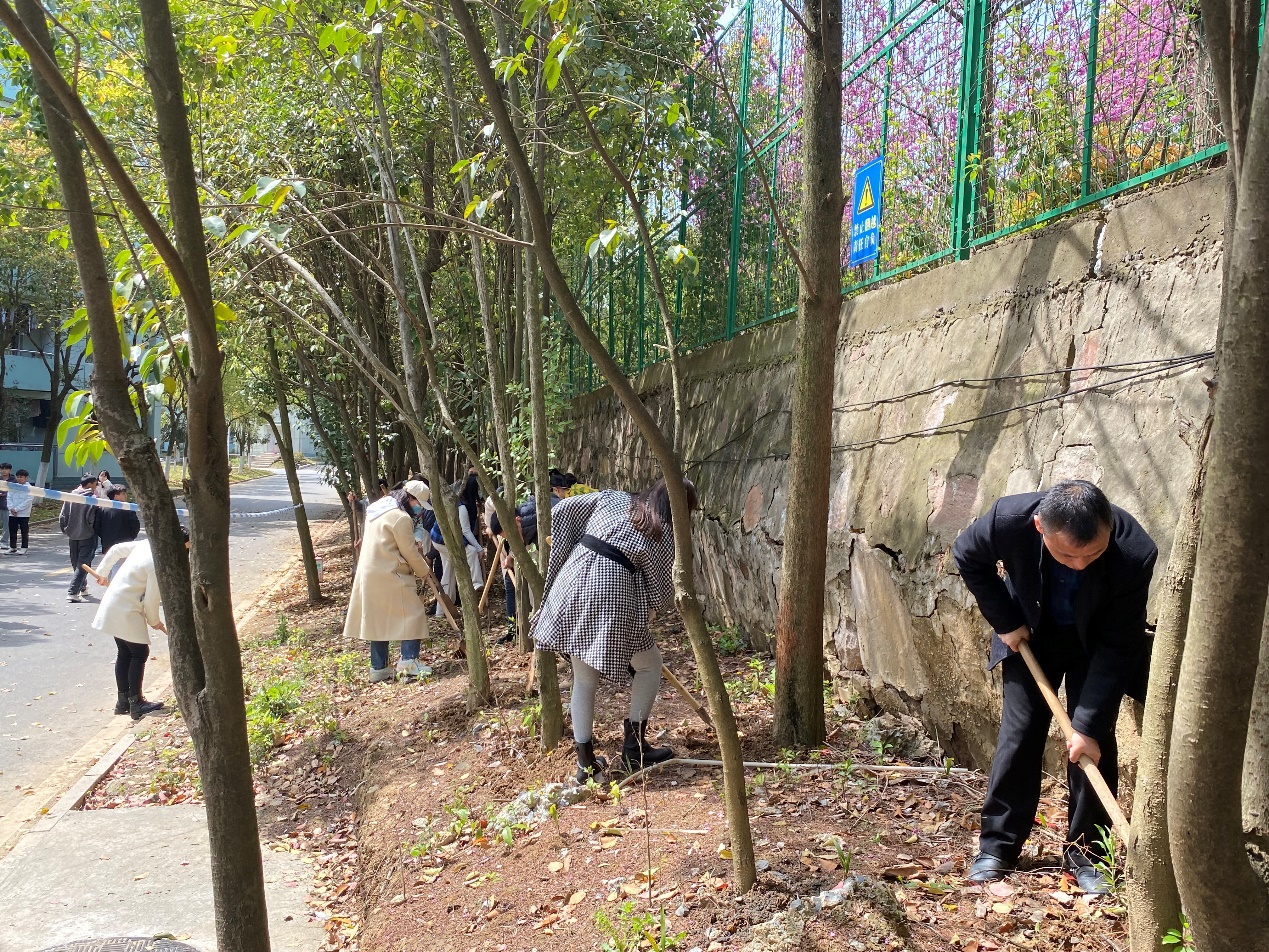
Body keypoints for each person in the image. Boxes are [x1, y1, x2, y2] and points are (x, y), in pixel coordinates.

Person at [952, 480, 1157, 894]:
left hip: (1096, 646)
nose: (1080, 564)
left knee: (1092, 742)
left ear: (1110, 530)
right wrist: (1005, 619)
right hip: (1030, 634)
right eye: (1066, 554)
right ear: (1039, 526)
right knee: (1020, 733)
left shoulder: (1134, 552)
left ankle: (1089, 854)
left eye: (1093, 554)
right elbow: (967, 556)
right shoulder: (1007, 520)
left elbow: (1119, 644)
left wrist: (1087, 725)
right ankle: (997, 847)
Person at [532, 478, 692, 784]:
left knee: (584, 678)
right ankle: (634, 749)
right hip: (611, 590)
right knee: (650, 665)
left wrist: (580, 539)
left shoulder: (613, 498)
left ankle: (585, 764)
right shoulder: (662, 529)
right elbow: (660, 593)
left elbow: (564, 507)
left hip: (573, 577)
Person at [343, 480, 434, 682]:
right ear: (410, 498)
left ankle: (378, 668)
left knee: (378, 620)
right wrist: (423, 571)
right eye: (418, 504)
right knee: (414, 613)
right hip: (389, 573)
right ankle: (408, 661)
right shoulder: (401, 518)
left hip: (370, 573)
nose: (419, 510)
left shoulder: (378, 510)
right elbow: (409, 550)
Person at [92, 531, 181, 720]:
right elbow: (151, 600)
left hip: (115, 603)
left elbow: (116, 550)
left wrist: (102, 572)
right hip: (126, 608)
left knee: (125, 652)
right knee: (139, 653)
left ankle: (123, 701)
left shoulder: (146, 545)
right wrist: (154, 621)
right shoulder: (157, 563)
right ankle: (136, 702)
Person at [430, 474, 484, 618]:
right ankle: (476, 582)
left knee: (448, 572)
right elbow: (466, 531)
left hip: (437, 540)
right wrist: (479, 548)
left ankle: (441, 611)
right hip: (444, 541)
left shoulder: (447, 502)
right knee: (471, 551)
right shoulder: (461, 508)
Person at [60, 473, 100, 603]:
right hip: (87, 534)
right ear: (90, 484)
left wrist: (66, 529)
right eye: (95, 484)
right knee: (83, 564)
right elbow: (93, 518)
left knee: (76, 561)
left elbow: (62, 516)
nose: (96, 486)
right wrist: (92, 528)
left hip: (72, 534)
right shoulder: (92, 498)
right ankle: (73, 591)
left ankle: (82, 587)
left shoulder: (70, 496)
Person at [94, 487, 141, 553]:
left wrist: (104, 536)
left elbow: (97, 526)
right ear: (116, 496)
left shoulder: (102, 509)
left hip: (107, 543)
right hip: (125, 543)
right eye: (123, 494)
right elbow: (135, 525)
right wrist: (131, 537)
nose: (126, 496)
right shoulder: (128, 508)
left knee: (110, 562)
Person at [6, 469, 33, 554]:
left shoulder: (30, 488)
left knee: (24, 531)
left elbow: (28, 501)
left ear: (26, 478)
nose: (19, 478)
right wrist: (11, 508)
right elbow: (9, 497)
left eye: (21, 477)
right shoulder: (13, 486)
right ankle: (13, 547)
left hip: (23, 513)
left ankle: (24, 547)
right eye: (18, 477)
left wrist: (17, 509)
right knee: (12, 530)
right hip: (12, 513)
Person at [0, 461, 11, 551]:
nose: (4, 471)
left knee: (6, 525)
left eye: (6, 469)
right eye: (2, 469)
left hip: (7, 506)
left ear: (9, 470)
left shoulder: (13, 481)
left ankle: (4, 542)